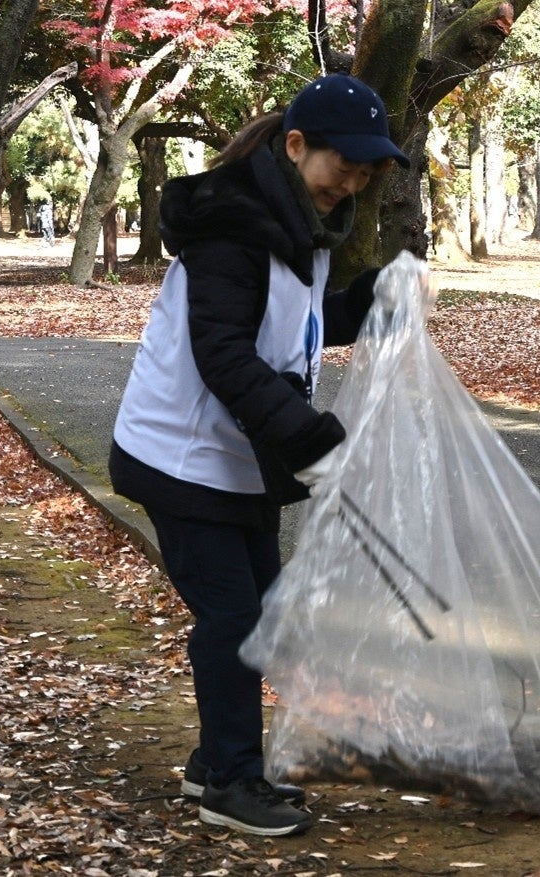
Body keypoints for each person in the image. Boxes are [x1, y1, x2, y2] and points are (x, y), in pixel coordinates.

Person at [107, 74, 409, 837]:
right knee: (235, 618)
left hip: (240, 459)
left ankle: (216, 759)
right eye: (343, 166)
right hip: (180, 456)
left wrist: (371, 299)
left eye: (364, 174)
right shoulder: (232, 228)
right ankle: (231, 782)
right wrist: (309, 436)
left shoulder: (299, 223)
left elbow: (298, 325)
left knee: (261, 612)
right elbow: (224, 353)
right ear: (295, 145)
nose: (351, 184)